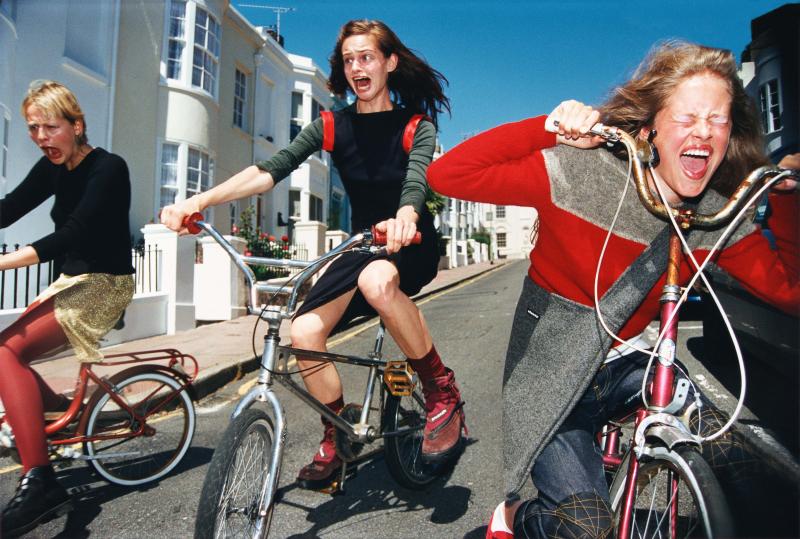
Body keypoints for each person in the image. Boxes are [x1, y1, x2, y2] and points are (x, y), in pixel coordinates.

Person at [427, 41, 798, 538]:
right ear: (651, 130)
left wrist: (789, 201)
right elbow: (447, 173)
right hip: (552, 377)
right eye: (687, 117)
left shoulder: (714, 215)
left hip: (630, 367)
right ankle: (516, 517)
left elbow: (789, 291)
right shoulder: (581, 171)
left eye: (718, 120)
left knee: (742, 463)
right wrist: (548, 128)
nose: (704, 132)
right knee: (585, 527)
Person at [161, 19, 466, 489]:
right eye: (348, 60)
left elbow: (416, 178)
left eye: (366, 57)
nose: (357, 68)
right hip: (362, 243)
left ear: (389, 62)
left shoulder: (414, 125)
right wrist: (198, 202)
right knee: (303, 329)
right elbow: (270, 169)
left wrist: (406, 215)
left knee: (377, 282)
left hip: (411, 240)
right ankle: (336, 434)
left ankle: (441, 389)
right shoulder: (331, 125)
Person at [0, 80, 134, 537]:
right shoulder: (51, 167)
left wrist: (3, 262)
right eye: (33, 129)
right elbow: (10, 207)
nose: (41, 138)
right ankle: (60, 414)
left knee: (3, 352)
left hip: (104, 284)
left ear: (77, 125)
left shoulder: (109, 168)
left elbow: (73, 233)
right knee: (8, 355)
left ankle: (41, 484)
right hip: (72, 281)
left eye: (50, 128)